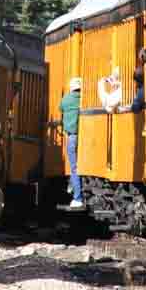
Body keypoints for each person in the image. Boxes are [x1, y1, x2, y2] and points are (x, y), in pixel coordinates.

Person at [60, 77, 84, 209]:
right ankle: (73, 185)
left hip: (72, 137)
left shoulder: (66, 99)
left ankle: (77, 197)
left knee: (74, 167)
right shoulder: (83, 99)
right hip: (85, 138)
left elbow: (60, 108)